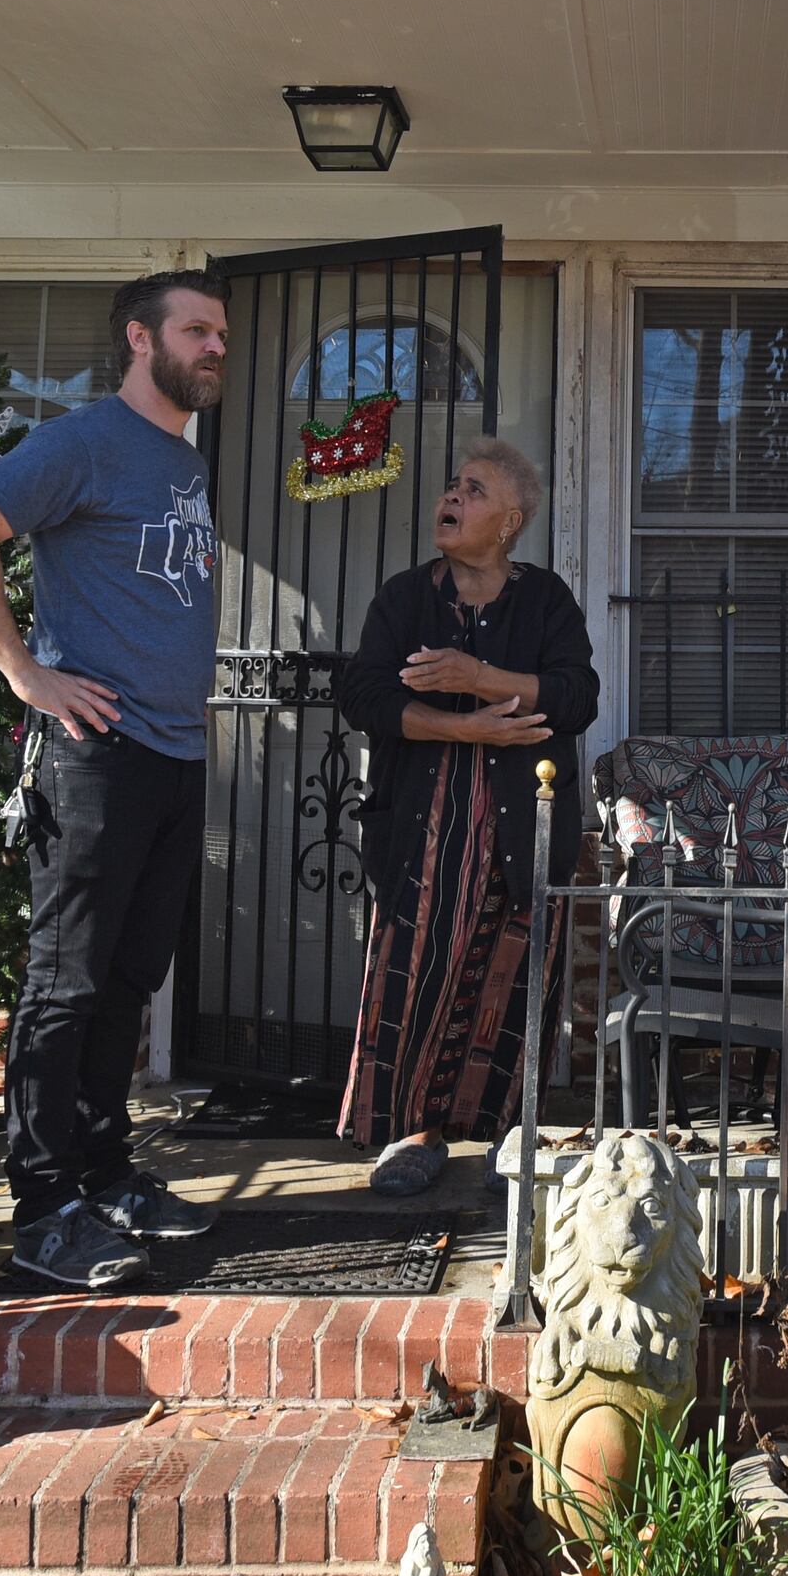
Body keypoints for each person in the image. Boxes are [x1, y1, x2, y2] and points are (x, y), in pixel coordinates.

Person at [0, 269, 232, 1290]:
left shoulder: (179, 457)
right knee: (67, 982)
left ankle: (106, 1172)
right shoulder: (87, 439)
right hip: (97, 753)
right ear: (142, 341)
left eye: (222, 332)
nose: (217, 346)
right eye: (199, 330)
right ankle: (45, 1203)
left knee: (132, 976)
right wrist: (24, 671)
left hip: (176, 753)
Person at [332, 441, 597, 1197]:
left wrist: (478, 678)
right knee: (415, 974)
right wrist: (465, 725)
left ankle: (505, 1140)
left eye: (472, 489)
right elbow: (365, 696)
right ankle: (415, 1133)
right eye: (452, 484)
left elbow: (577, 696)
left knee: (511, 981)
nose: (451, 496)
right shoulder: (406, 598)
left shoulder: (545, 600)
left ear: (509, 522)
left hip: (520, 831)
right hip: (425, 827)